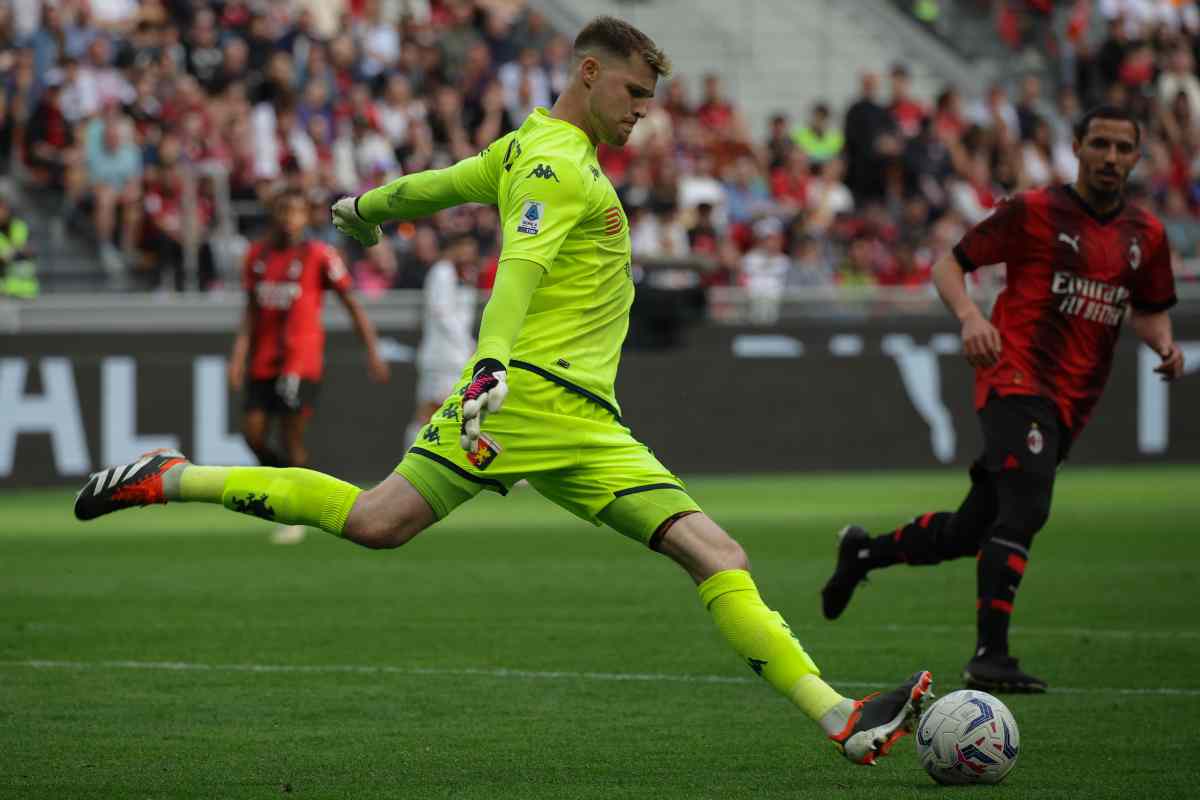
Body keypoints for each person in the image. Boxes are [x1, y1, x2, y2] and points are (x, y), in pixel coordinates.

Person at [74, 17, 931, 766]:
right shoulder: (556, 166)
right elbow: (514, 275)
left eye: (651, 97)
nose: (643, 109)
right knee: (381, 522)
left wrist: (365, 208)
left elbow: (435, 187)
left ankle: (841, 717)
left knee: (718, 556)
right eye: (633, 90)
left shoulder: (526, 147)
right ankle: (173, 476)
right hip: (524, 400)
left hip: (587, 422)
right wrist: (489, 365)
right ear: (587, 73)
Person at [821, 106, 1184, 693]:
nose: (1112, 158)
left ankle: (864, 554)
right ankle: (990, 654)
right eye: (1101, 144)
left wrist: (1164, 344)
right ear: (1077, 146)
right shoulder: (1035, 211)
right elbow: (949, 265)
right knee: (1028, 507)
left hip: (1072, 400)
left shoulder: (1147, 236)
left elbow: (1147, 309)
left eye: (1124, 148)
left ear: (1138, 156)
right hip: (1012, 377)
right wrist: (969, 318)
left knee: (973, 529)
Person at [227, 191, 390, 543]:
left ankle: (295, 511)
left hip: (300, 362)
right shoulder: (257, 256)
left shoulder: (319, 255)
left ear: (306, 218)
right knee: (252, 435)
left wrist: (372, 351)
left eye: (298, 212)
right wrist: (238, 358)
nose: (290, 219)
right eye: (285, 211)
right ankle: (291, 489)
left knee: (291, 438)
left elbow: (352, 304)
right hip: (263, 360)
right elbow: (249, 314)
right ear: (276, 215)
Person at [406, 232, 480, 448]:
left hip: (457, 358)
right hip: (440, 357)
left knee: (453, 414)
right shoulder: (442, 272)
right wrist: (468, 343)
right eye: (465, 247)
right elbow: (441, 313)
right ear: (453, 248)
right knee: (428, 412)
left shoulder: (465, 274)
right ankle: (408, 459)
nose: (469, 253)